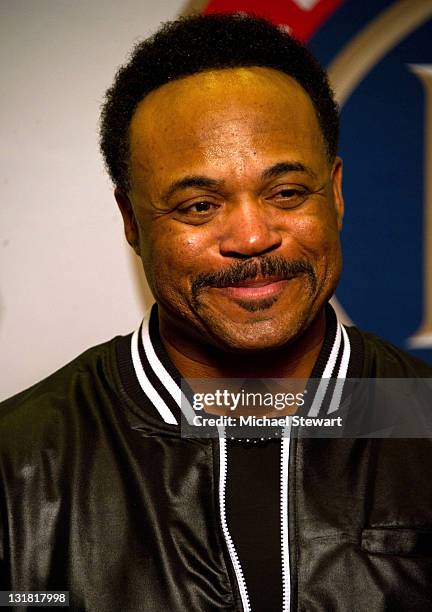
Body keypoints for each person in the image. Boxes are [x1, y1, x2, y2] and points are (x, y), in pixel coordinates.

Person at [1, 13, 432, 612]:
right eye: (200, 205)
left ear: (334, 193)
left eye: (286, 193)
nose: (253, 238)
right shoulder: (16, 465)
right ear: (131, 220)